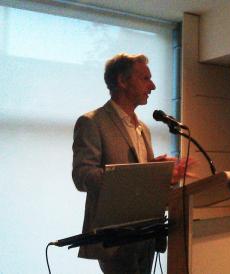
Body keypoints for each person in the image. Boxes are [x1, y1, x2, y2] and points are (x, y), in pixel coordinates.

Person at [72, 53, 184, 273]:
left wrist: (160, 173)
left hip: (148, 231)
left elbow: (141, 179)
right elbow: (82, 176)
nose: (152, 85)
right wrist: (140, 175)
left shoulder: (144, 127)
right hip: (114, 236)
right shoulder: (92, 122)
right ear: (122, 81)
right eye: (145, 78)